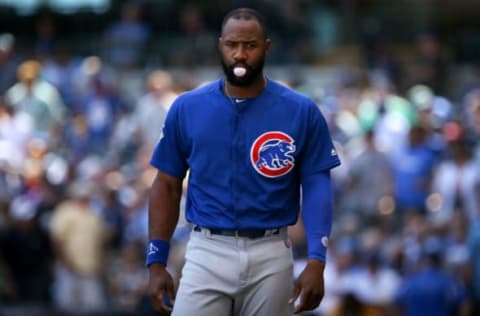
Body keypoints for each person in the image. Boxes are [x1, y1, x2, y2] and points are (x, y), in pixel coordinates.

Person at [146, 7, 341, 316]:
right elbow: (166, 185)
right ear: (220, 45)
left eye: (250, 45)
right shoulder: (187, 107)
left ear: (266, 46)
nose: (240, 54)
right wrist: (156, 260)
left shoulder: (300, 110)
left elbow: (317, 185)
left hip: (271, 249)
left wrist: (317, 259)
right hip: (206, 248)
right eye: (232, 45)